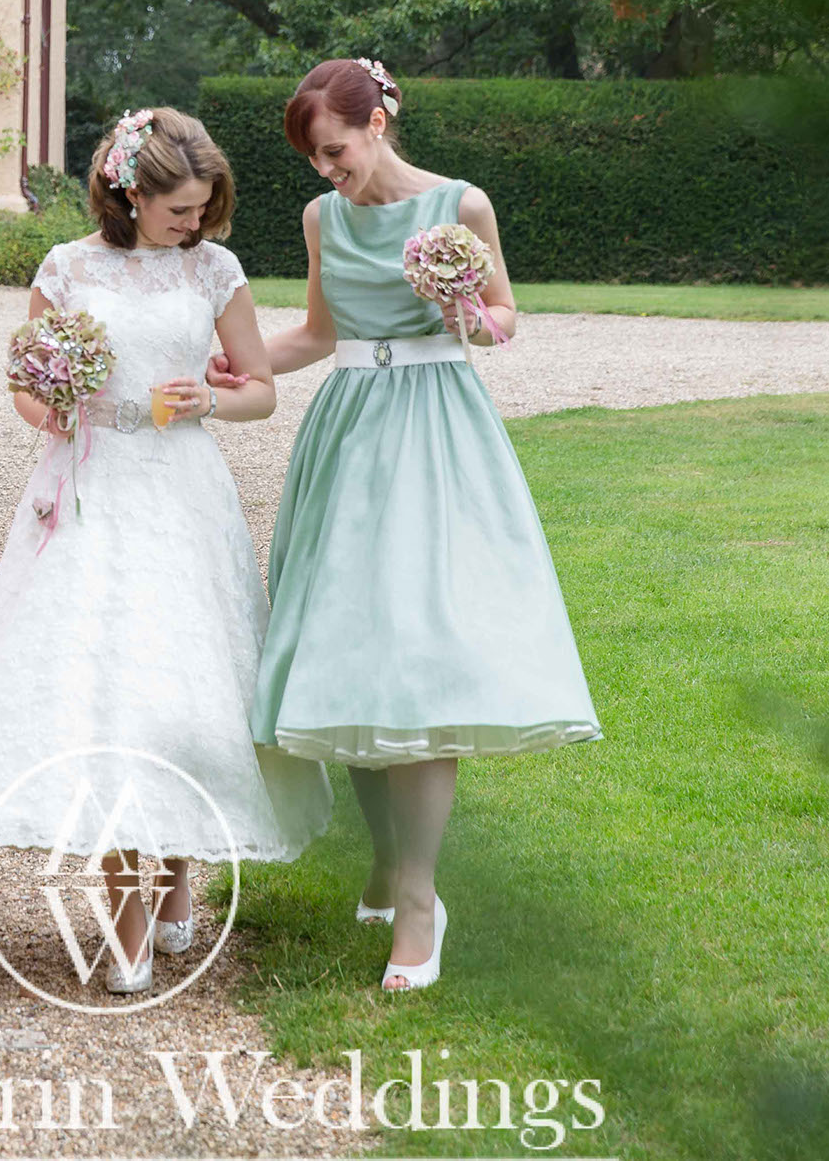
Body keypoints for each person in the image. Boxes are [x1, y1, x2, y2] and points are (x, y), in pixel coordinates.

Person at [0, 108, 332, 996]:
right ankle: (125, 918)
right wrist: (52, 410)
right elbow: (23, 382)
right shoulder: (68, 268)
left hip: (183, 491)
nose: (195, 224)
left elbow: (260, 390)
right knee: (107, 696)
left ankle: (177, 879)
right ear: (130, 193)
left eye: (204, 210)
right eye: (180, 210)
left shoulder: (215, 270)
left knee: (183, 686)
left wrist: (210, 401)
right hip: (90, 486)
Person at [220, 58, 601, 992]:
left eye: (334, 151)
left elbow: (505, 320)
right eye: (315, 159)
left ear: (377, 124)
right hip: (347, 437)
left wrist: (461, 307)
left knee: (420, 652)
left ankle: (421, 900)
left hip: (436, 434)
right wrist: (229, 361)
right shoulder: (323, 218)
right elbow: (318, 335)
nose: (327, 171)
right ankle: (389, 859)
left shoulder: (462, 206)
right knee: (347, 648)